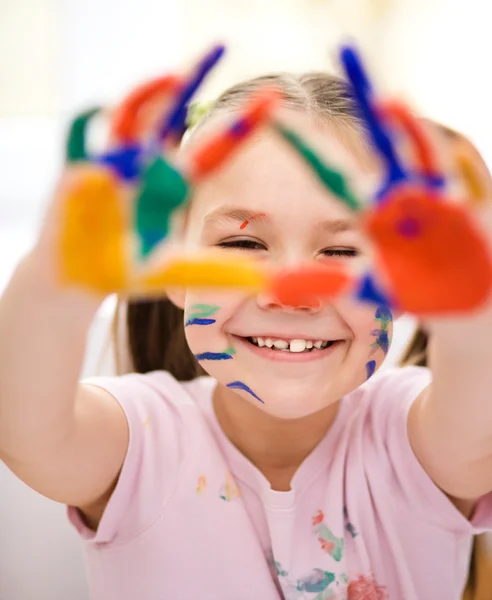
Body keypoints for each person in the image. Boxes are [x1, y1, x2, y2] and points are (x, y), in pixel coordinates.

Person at [2, 71, 492, 600]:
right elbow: (25, 426)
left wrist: (471, 295)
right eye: (242, 244)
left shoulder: (414, 444)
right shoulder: (140, 440)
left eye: (343, 252)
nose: (289, 292)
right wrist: (57, 278)